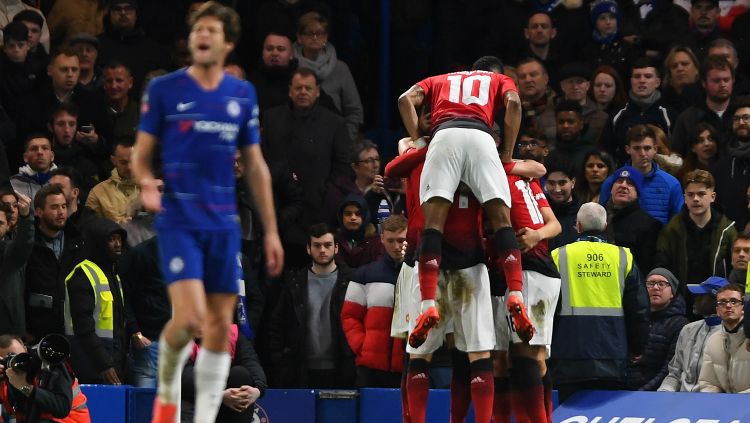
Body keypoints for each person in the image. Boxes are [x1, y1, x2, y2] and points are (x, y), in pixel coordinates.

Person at [131, 3, 284, 422]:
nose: (203, 35)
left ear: (228, 42)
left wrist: (270, 231)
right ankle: (167, 402)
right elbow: (141, 154)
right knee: (190, 317)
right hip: (179, 218)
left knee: (220, 326)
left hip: (223, 223)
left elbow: (254, 165)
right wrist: (146, 182)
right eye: (198, 28)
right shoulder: (164, 89)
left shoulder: (242, 94)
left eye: (212, 30)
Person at [397, 56, 533, 373]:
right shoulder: (498, 80)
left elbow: (404, 99)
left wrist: (419, 140)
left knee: (434, 224)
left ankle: (427, 304)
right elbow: (513, 104)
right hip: (482, 137)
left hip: (444, 136)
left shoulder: (439, 78)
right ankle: (515, 294)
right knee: (501, 220)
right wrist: (508, 154)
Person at [549, 202, 650, 402]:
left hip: (568, 355)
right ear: (605, 225)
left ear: (577, 226)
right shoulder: (623, 257)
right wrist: (638, 347)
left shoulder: (558, 255)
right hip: (612, 354)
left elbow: (546, 309)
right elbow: (638, 308)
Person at [268, 223, 355, 388]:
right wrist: (281, 359)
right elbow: (277, 323)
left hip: (343, 368)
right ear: (308, 249)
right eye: (317, 245)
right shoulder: (294, 283)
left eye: (327, 245)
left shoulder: (352, 281)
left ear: (336, 248)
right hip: (300, 369)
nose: (322, 250)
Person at [341, 215, 407, 387]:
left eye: (401, 240)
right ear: (382, 239)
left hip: (408, 365)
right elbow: (349, 316)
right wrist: (362, 347)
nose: (396, 246)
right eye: (391, 240)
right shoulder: (364, 275)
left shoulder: (418, 275)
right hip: (370, 368)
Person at [64, 219, 129, 385]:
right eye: (111, 239)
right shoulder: (83, 274)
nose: (117, 244)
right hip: (90, 364)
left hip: (113, 360)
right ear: (98, 242)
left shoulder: (113, 274)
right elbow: (83, 327)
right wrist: (104, 364)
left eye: (119, 239)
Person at [654, 169, 736, 296]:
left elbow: (735, 269)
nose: (695, 199)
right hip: (681, 299)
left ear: (712, 197)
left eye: (701, 194)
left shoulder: (727, 230)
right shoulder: (672, 229)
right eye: (690, 194)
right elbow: (662, 266)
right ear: (684, 198)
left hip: (718, 299)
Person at [24, 185, 85, 343]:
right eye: (54, 207)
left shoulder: (78, 242)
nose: (61, 212)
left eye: (64, 206)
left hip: (74, 333)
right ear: (39, 211)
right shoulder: (27, 245)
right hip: (36, 335)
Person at [294, 11, 363, 140]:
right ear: (299, 37)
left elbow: (354, 111)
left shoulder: (340, 69)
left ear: (326, 37)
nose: (315, 37)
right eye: (309, 33)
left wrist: (344, 139)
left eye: (319, 33)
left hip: (333, 139)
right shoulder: (290, 66)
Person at [599, 124, 684, 225]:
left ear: (655, 149)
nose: (642, 153)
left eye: (647, 148)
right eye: (637, 148)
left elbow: (679, 222)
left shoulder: (671, 184)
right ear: (627, 149)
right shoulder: (612, 182)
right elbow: (602, 220)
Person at [180, 325, 267, 422]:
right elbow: (184, 377)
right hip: (194, 398)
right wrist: (218, 395)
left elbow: (252, 363)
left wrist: (257, 390)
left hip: (227, 400)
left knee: (240, 374)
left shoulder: (232, 334)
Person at [600, 57, 677, 165]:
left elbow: (676, 155)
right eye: (637, 76)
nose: (642, 80)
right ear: (631, 81)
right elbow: (605, 153)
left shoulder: (669, 115)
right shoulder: (617, 116)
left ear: (657, 82)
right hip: (624, 178)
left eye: (648, 76)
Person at [0, 334, 91, 423]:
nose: (17, 363)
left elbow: (61, 408)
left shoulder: (48, 361)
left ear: (25, 347)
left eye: (19, 356)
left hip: (69, 419)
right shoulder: (5, 376)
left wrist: (24, 387)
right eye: (8, 360)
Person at [658, 276, 727, 392]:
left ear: (716, 300)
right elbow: (675, 373)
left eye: (701, 296)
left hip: (710, 402)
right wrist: (664, 392)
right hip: (680, 401)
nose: (695, 300)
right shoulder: (688, 329)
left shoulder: (731, 335)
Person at [626, 268, 688, 390]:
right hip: (622, 390)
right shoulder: (632, 319)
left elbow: (670, 370)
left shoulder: (680, 325)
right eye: (650, 283)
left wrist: (642, 392)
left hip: (655, 393)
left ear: (672, 293)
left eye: (662, 284)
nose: (655, 288)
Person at [669, 55, 735, 156]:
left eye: (726, 80)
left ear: (733, 81)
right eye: (716, 81)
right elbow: (676, 157)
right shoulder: (687, 119)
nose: (723, 85)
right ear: (704, 83)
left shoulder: (742, 114)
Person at [604, 166, 662, 274]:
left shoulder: (649, 225)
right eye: (619, 181)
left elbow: (646, 267)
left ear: (638, 192)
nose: (623, 185)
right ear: (611, 188)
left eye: (630, 183)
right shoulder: (598, 216)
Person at [698, 283, 750, 392]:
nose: (728, 305)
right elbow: (708, 383)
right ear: (717, 310)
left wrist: (735, 402)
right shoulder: (713, 341)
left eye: (734, 301)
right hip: (724, 405)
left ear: (743, 308)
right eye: (722, 302)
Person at [712, 97, 750, 230]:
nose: (741, 122)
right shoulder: (721, 166)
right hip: (728, 236)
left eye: (746, 117)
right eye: (737, 119)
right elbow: (715, 204)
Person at [0, 192, 33, 336]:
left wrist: (26, 217)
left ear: (8, 226)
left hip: (9, 334)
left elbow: (24, 243)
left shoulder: (11, 253)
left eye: (0, 223)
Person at [85, 140, 139, 224]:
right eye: (123, 162)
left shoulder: (152, 189)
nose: (129, 167)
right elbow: (89, 228)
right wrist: (117, 226)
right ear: (113, 160)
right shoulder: (97, 193)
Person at [334, 194, 383, 269]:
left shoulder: (375, 241)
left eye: (358, 214)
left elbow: (377, 268)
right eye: (348, 214)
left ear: (365, 216)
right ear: (341, 217)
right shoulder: (335, 240)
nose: (353, 217)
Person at [544, 159, 581, 250]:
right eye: (551, 183)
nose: (557, 189)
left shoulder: (583, 215)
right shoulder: (537, 212)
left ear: (573, 182)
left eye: (562, 183)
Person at [10, 134, 58, 201]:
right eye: (34, 149)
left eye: (45, 148)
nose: (40, 152)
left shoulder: (62, 181)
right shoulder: (13, 184)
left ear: (52, 156)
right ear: (25, 157)